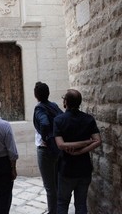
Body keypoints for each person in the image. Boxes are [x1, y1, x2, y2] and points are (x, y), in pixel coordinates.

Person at [54, 89, 102, 214]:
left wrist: (75, 150)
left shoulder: (59, 120)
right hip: (84, 168)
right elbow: (97, 141)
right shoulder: (88, 119)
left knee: (62, 203)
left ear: (65, 102)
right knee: (81, 204)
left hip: (66, 168)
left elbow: (61, 145)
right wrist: (84, 145)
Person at [33, 81, 63, 214]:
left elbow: (44, 123)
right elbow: (62, 119)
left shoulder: (40, 108)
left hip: (46, 150)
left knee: (50, 186)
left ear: (36, 95)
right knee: (57, 183)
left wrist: (46, 138)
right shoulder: (55, 106)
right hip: (57, 148)